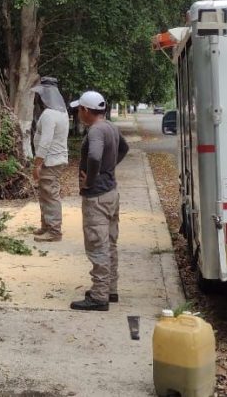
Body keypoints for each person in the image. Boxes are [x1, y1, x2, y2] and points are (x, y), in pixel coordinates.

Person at [68, 91, 129, 311]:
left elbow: (94, 156)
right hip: (111, 194)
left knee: (97, 245)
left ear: (85, 110)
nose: (77, 114)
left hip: (97, 197)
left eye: (79, 110)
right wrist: (109, 169)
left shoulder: (95, 131)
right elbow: (124, 148)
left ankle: (99, 296)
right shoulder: (111, 127)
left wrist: (90, 181)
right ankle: (110, 289)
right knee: (110, 243)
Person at [31, 77, 70, 242]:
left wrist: (37, 164)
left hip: (49, 161)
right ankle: (46, 226)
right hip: (57, 158)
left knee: (50, 194)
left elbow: (45, 142)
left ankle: (54, 231)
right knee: (46, 193)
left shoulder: (48, 114)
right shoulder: (62, 112)